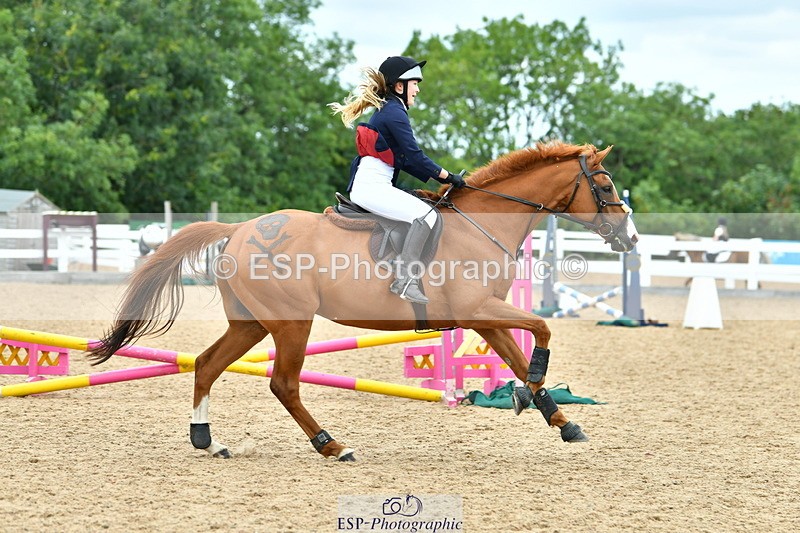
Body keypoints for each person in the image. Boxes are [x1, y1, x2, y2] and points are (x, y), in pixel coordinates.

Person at [328, 55, 465, 305]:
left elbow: (408, 161)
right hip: (372, 188)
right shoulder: (394, 112)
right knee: (427, 216)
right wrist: (448, 176)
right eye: (415, 84)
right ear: (399, 86)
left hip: (374, 185)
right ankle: (406, 280)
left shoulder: (390, 109)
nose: (418, 89)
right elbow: (414, 155)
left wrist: (443, 179)